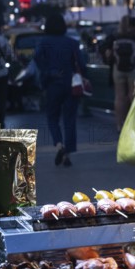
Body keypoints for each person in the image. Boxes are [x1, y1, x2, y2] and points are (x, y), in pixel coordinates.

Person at [34, 14, 86, 167]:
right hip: (71, 84)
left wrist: (48, 72)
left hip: (52, 84)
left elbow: (36, 59)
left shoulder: (43, 43)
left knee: (52, 117)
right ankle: (67, 154)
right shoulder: (72, 43)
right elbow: (82, 64)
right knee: (70, 119)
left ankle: (59, 145)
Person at [104, 16, 135, 132]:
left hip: (118, 69)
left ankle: (120, 125)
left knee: (119, 97)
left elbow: (105, 51)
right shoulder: (134, 37)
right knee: (133, 96)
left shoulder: (114, 36)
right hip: (132, 68)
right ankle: (134, 124)